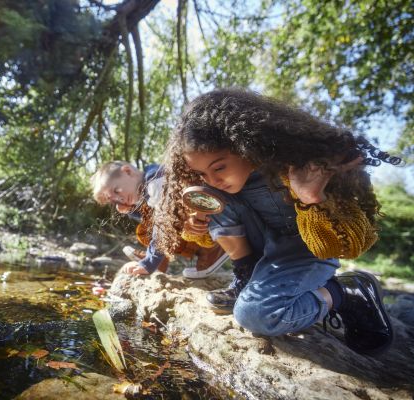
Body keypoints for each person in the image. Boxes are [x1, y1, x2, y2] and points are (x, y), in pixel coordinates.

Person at [153, 88, 400, 355]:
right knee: (209, 196)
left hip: (306, 254)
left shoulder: (302, 167)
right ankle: (246, 278)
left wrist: (310, 199)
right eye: (202, 172)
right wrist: (197, 225)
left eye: (219, 167)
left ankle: (344, 291)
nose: (212, 178)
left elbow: (349, 245)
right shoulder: (215, 186)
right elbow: (209, 236)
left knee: (256, 316)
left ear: (244, 145)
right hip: (263, 254)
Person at [91, 161, 228, 277]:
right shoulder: (144, 188)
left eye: (116, 191)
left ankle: (215, 250)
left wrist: (150, 262)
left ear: (127, 171)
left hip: (212, 219)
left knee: (160, 227)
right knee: (145, 230)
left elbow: (163, 224)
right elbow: (152, 219)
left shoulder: (155, 181)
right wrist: (131, 210)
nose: (118, 199)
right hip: (189, 225)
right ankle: (158, 262)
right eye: (112, 200)